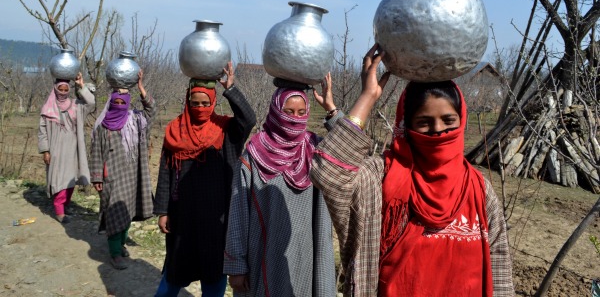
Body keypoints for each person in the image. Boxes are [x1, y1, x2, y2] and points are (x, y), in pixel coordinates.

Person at [310, 45, 515, 297]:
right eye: (424, 122)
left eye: (448, 121)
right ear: (407, 127)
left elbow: (500, 266)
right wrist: (367, 97)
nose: (438, 131)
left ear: (461, 121)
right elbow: (328, 171)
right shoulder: (381, 176)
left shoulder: (477, 187)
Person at [223, 74, 338, 297]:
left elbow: (350, 149)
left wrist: (332, 110)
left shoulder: (315, 150)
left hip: (306, 258)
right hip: (262, 256)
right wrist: (236, 265)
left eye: (301, 113)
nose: (295, 119)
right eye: (288, 112)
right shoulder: (254, 154)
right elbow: (238, 212)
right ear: (276, 111)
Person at [154, 62, 256, 297]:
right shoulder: (175, 131)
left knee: (213, 273)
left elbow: (248, 119)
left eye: (205, 103)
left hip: (217, 218)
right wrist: (162, 211)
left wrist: (230, 89)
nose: (200, 108)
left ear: (213, 103)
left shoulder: (226, 130)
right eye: (195, 103)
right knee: (175, 271)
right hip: (183, 216)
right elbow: (165, 172)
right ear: (187, 102)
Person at [90, 70, 155, 270]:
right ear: (111, 102)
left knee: (127, 213)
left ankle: (120, 244)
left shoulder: (135, 120)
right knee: (113, 213)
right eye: (115, 102)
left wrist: (141, 89)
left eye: (122, 103)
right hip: (111, 176)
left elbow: (151, 111)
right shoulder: (103, 126)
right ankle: (115, 253)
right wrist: (97, 177)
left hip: (132, 176)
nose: (119, 106)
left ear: (127, 103)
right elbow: (96, 152)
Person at [38, 72, 95, 224]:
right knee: (58, 179)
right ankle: (59, 211)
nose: (63, 92)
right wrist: (45, 150)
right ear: (55, 89)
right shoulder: (47, 108)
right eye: (60, 89)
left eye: (65, 90)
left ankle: (65, 205)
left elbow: (91, 103)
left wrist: (81, 85)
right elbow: (42, 131)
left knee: (70, 178)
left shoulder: (75, 105)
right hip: (55, 149)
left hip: (73, 148)